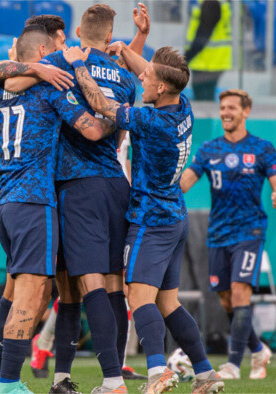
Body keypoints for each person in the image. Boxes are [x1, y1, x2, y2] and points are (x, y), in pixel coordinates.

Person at [0, 4, 151, 393]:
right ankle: (80, 377)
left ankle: (10, 378)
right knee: (108, 286)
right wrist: (135, 42)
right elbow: (140, 80)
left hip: (68, 187)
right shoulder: (124, 73)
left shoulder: (62, 61)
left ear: (76, 32)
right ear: (111, 35)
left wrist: (38, 69)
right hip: (113, 183)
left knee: (60, 285)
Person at [63, 42, 225, 394]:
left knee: (139, 297)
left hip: (150, 221)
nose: (141, 76)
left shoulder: (150, 120)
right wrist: (127, 49)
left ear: (162, 87)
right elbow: (156, 74)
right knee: (168, 303)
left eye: (147, 76)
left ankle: (158, 373)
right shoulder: (182, 106)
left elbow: (102, 106)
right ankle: (206, 374)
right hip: (174, 216)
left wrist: (78, 67)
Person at [0, 25, 115, 394]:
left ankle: (1, 378)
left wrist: (7, 143)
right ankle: (9, 384)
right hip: (35, 202)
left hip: (5, 204)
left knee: (12, 290)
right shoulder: (52, 89)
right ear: (47, 50)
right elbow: (93, 131)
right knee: (32, 295)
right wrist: (120, 117)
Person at [180, 89, 276, 379]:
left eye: (231, 108)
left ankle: (233, 364)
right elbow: (187, 181)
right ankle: (258, 349)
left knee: (241, 292)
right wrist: (166, 192)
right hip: (218, 234)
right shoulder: (210, 149)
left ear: (246, 111)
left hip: (250, 231)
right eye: (222, 107)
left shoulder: (262, 148)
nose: (225, 112)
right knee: (227, 300)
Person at [185, 0, 232, 100]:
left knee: (203, 101)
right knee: (205, 100)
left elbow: (203, 34)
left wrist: (185, 59)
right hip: (211, 61)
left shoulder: (211, 3)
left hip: (206, 63)